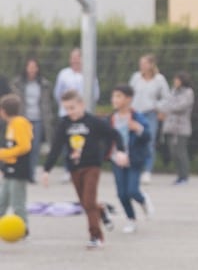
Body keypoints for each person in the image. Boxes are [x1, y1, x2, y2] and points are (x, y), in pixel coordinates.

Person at [41, 90, 119, 249]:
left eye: (73, 108)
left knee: (89, 201)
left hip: (92, 166)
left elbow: (114, 134)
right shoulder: (64, 124)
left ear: (82, 105)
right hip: (74, 167)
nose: (70, 112)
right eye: (67, 109)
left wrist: (114, 152)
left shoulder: (93, 122)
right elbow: (56, 147)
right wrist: (46, 170)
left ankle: (96, 236)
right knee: (86, 203)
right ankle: (101, 211)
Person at [108, 84, 153, 234]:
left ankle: (143, 200)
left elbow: (148, 137)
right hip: (117, 160)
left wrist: (138, 128)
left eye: (119, 96)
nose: (115, 99)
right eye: (114, 96)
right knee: (122, 194)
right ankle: (131, 219)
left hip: (134, 159)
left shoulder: (137, 117)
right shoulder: (111, 119)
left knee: (132, 190)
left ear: (128, 99)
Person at [128, 54, 171, 183]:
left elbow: (166, 97)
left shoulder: (159, 79)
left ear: (151, 65)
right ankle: (134, 168)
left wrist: (157, 107)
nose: (142, 66)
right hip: (135, 113)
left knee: (149, 141)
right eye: (140, 63)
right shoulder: (136, 77)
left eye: (144, 63)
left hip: (149, 114)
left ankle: (147, 170)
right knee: (133, 141)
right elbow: (129, 93)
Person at [11, 57, 54, 181]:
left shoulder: (44, 84)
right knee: (24, 147)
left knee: (34, 148)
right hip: (23, 119)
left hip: (38, 118)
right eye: (30, 67)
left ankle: (32, 173)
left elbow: (48, 102)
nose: (32, 70)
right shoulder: (18, 83)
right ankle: (23, 172)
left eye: (34, 67)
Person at [0, 94, 33, 238]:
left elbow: (25, 146)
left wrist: (4, 153)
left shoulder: (19, 123)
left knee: (17, 200)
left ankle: (24, 228)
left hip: (19, 169)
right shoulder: (10, 125)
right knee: (2, 199)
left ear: (4, 111)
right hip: (9, 169)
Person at [158, 71, 195, 185]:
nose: (175, 82)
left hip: (181, 128)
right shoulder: (173, 91)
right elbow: (166, 103)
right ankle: (179, 176)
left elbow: (181, 106)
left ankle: (184, 176)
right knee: (173, 153)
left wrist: (167, 109)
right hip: (170, 126)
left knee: (181, 152)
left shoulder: (188, 92)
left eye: (177, 80)